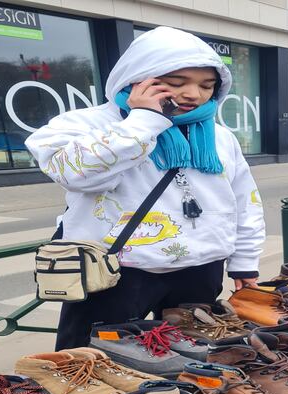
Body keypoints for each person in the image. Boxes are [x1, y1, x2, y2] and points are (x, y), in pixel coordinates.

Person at [26, 27, 266, 350]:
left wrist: (245, 262)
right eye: (177, 83)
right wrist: (142, 122)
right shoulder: (87, 125)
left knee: (189, 364)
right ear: (137, 77)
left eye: (207, 85)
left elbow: (243, 201)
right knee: (96, 365)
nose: (194, 95)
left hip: (199, 269)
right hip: (115, 274)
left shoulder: (219, 138)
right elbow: (74, 173)